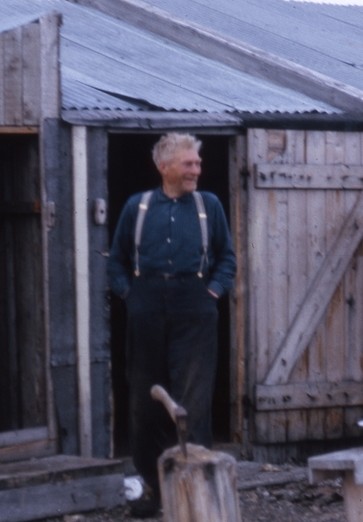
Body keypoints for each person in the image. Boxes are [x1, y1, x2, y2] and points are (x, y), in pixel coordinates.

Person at [107, 133, 236, 517]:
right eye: (188, 164)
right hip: (146, 307)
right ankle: (152, 489)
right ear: (164, 167)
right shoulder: (138, 206)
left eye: (197, 163)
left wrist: (212, 292)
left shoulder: (208, 205)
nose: (196, 170)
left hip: (195, 307)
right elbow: (116, 261)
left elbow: (226, 258)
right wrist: (130, 295)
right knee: (145, 405)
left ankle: (194, 492)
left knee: (192, 402)